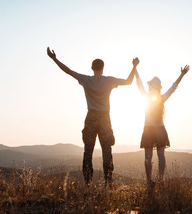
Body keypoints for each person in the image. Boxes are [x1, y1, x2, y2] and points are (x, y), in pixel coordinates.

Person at [47, 47, 139, 186]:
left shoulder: (86, 80)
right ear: (103, 68)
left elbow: (68, 71)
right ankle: (108, 183)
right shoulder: (109, 80)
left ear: (92, 68)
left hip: (91, 117)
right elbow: (129, 81)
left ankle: (88, 183)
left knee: (88, 151)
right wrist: (134, 66)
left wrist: (54, 59)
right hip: (105, 118)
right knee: (107, 150)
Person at [135, 64, 190, 187]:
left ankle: (149, 181)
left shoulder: (146, 97)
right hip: (160, 129)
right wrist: (182, 74)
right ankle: (160, 180)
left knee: (148, 157)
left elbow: (139, 84)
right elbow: (173, 87)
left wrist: (135, 68)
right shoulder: (161, 98)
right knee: (161, 156)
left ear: (150, 87)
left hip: (148, 129)